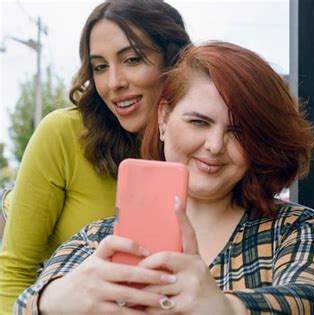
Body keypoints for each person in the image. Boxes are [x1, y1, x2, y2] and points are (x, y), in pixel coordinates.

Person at [15, 42, 314, 314]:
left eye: (239, 132)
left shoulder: (295, 231)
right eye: (198, 122)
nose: (214, 146)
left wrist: (226, 308)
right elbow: (25, 303)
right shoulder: (100, 240)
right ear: (164, 118)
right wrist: (50, 301)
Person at [0, 0, 191, 313]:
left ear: (174, 60)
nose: (113, 82)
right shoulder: (64, 134)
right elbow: (13, 272)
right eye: (100, 67)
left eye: (131, 59)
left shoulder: (200, 145)